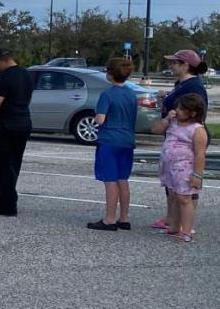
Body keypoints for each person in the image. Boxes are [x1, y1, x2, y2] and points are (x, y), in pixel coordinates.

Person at [149, 49, 210, 231]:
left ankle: (186, 224)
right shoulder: (181, 84)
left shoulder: (194, 86)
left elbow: (198, 110)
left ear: (186, 65)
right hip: (174, 138)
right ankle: (172, 220)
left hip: (186, 139)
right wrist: (166, 97)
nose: (172, 65)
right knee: (172, 183)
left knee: (186, 185)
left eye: (175, 62)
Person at [0, 47, 34, 217]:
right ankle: (0, 199)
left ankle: (6, 205)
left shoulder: (3, 78)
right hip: (23, 123)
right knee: (13, 164)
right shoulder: (26, 75)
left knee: (1, 166)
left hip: (4, 126)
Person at [88, 57, 138, 231]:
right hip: (127, 140)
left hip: (109, 140)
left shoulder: (107, 95)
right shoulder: (132, 95)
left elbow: (100, 120)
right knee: (122, 179)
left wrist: (96, 115)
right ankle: (124, 217)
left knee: (110, 180)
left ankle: (110, 218)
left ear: (110, 73)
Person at [151, 93, 207, 243]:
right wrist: (167, 119)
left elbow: (200, 154)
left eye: (182, 109)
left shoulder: (197, 129)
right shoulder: (173, 122)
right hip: (169, 167)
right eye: (178, 107)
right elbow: (155, 129)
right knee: (173, 196)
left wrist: (197, 175)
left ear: (193, 113)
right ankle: (174, 227)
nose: (177, 110)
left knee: (184, 198)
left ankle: (187, 231)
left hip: (185, 169)